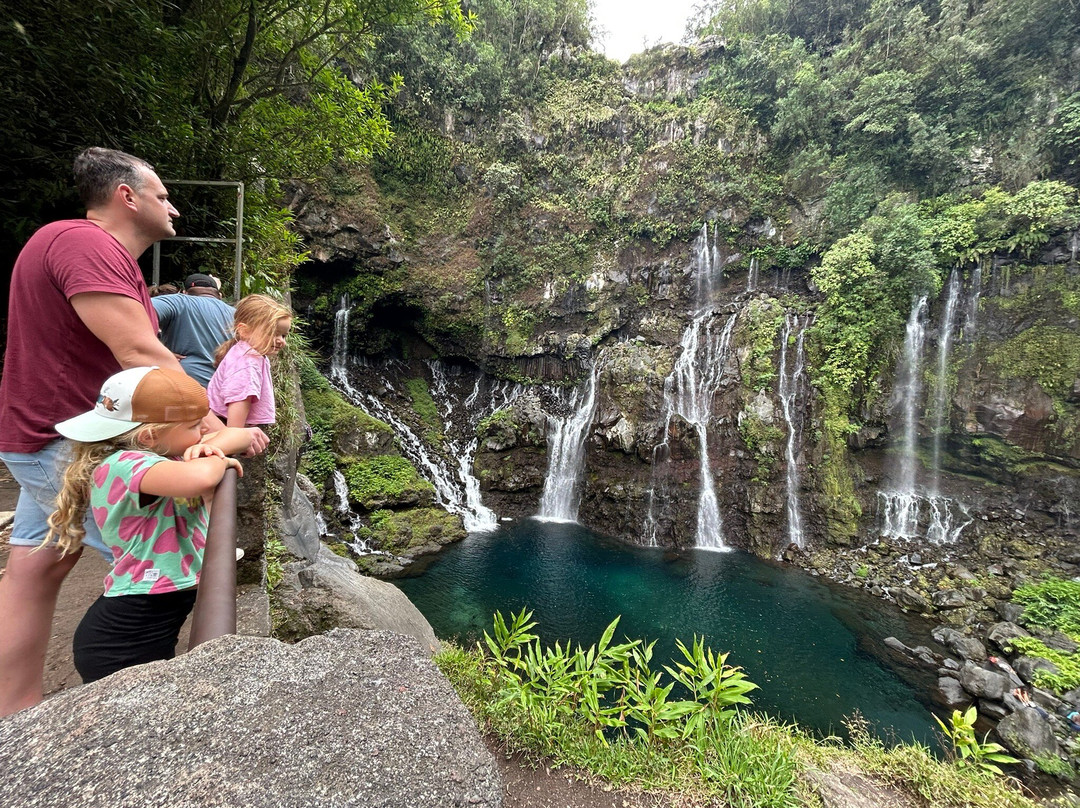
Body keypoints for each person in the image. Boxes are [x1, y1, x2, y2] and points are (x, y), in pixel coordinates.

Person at [45, 366, 247, 682]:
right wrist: (216, 456)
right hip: (121, 643)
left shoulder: (160, 454)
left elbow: (241, 434)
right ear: (149, 436)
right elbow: (201, 477)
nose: (203, 433)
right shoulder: (124, 465)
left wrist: (211, 446)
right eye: (195, 426)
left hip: (146, 629)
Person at [208, 294, 293, 428]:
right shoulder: (248, 363)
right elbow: (239, 401)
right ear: (244, 331)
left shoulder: (248, 354)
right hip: (226, 426)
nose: (281, 341)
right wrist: (236, 436)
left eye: (283, 335)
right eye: (273, 333)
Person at [152, 273, 235, 387]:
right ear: (219, 296)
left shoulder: (180, 302)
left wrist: (156, 351)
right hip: (225, 389)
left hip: (185, 385)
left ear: (184, 292)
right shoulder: (236, 314)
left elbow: (137, 311)